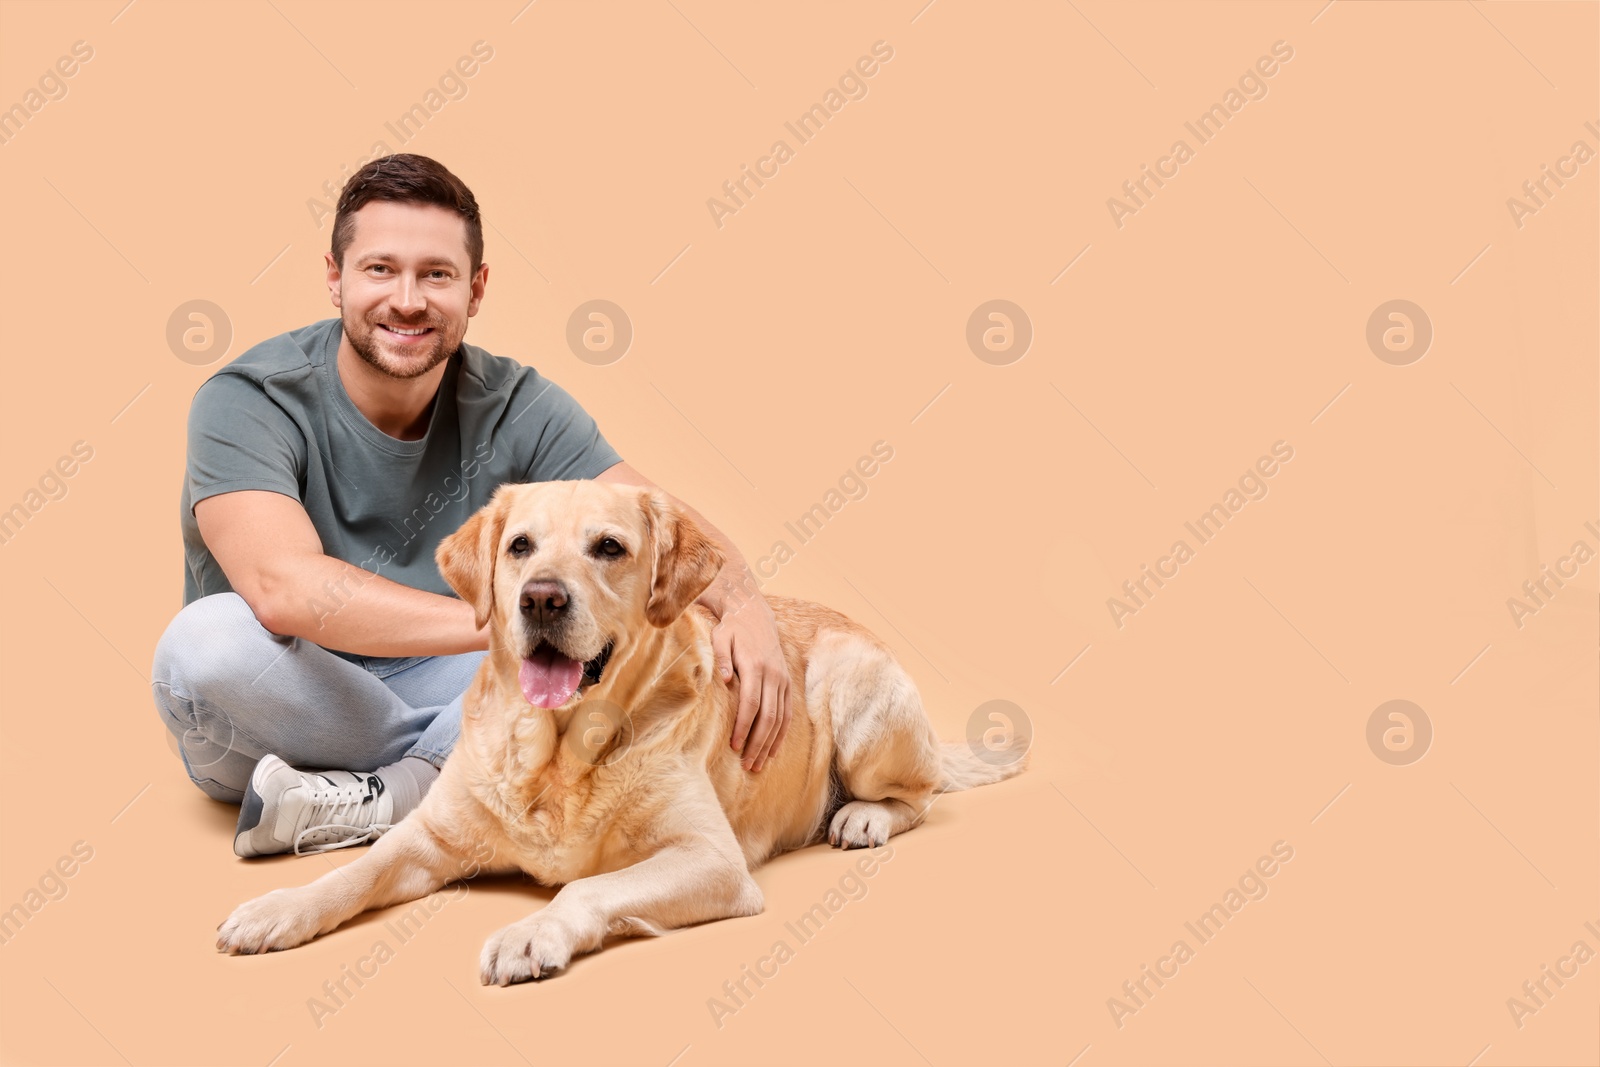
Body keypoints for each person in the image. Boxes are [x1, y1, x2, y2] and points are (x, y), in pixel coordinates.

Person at [151, 154, 790, 858]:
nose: (407, 299)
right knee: (201, 645)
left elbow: (655, 519)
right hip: (294, 696)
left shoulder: (517, 402)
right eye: (379, 269)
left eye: (436, 274)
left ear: (476, 289)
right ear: (334, 277)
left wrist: (747, 604)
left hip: (456, 686)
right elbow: (284, 588)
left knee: (619, 647)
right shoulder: (248, 399)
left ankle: (376, 799)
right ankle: (431, 784)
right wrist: (506, 623)